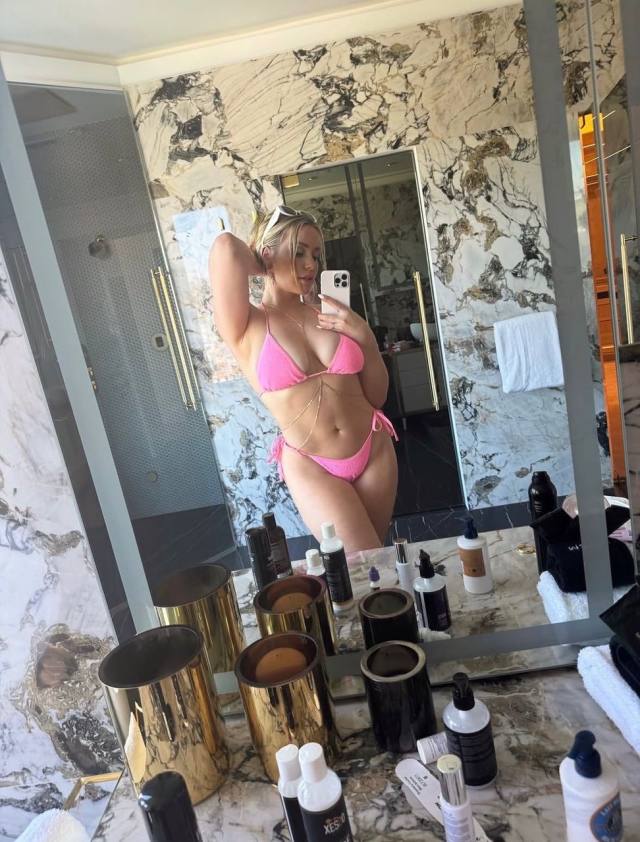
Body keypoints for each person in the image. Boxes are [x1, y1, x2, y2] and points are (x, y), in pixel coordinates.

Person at [209, 205, 398, 552]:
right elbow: (225, 248)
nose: (311, 265)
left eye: (315, 254)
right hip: (313, 465)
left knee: (377, 564)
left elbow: (378, 397)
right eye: (299, 252)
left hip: (374, 447)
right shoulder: (246, 326)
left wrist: (367, 339)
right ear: (266, 253)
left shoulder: (332, 315)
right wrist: (266, 264)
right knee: (364, 559)